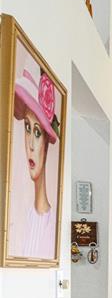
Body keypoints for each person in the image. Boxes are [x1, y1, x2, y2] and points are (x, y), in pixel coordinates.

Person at [12, 68, 59, 259]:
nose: (30, 144)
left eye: (38, 133)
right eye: (27, 128)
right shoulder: (18, 217)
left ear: (47, 143)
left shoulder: (52, 225)